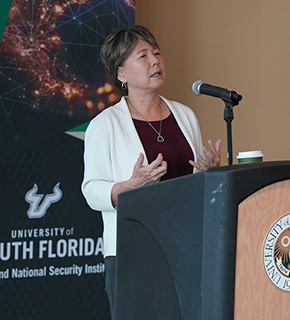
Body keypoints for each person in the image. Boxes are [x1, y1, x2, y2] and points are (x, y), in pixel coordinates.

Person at [81, 24, 221, 319]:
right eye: (142, 56)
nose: (155, 61)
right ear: (121, 73)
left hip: (186, 246)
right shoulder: (105, 125)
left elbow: (192, 184)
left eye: (156, 53)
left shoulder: (185, 115)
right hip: (133, 252)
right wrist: (128, 187)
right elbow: (91, 191)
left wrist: (209, 173)